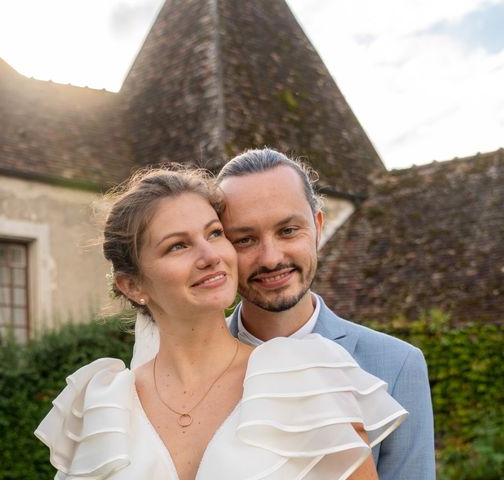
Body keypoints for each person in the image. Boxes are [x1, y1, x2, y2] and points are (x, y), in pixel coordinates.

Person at [35, 166, 407, 480]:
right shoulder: (103, 404)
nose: (210, 255)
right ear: (132, 286)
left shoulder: (306, 380)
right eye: (177, 246)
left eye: (215, 234)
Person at [216, 148, 436, 480]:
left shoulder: (399, 366)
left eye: (288, 230)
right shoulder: (193, 367)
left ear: (318, 227)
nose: (272, 258)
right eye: (245, 239)